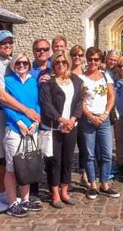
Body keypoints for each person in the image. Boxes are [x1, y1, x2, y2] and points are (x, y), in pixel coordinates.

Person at [0, 30, 40, 213]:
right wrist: (26, 111)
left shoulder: (11, 62)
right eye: (3, 43)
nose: (7, 46)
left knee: (2, 158)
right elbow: (1, 95)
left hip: (9, 115)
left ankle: (1, 193)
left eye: (10, 42)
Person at [40, 50, 84, 208]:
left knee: (67, 160)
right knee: (54, 161)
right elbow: (46, 105)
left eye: (64, 62)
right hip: (54, 127)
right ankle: (55, 193)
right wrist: (62, 120)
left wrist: (72, 119)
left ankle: (65, 191)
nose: (61, 65)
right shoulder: (48, 83)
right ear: (53, 64)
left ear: (68, 64)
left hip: (71, 126)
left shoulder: (76, 80)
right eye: (57, 62)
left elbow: (79, 101)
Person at [2, 53, 43, 217]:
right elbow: (5, 104)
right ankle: (12, 203)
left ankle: (25, 199)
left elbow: (37, 104)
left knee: (26, 166)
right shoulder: (8, 82)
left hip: (32, 129)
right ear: (13, 64)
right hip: (14, 128)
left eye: (25, 63)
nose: (22, 65)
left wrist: (35, 123)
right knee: (13, 167)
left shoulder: (33, 81)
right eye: (18, 62)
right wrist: (19, 122)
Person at [79, 47, 119, 200]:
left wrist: (105, 114)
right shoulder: (82, 79)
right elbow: (79, 101)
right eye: (90, 59)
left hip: (103, 119)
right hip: (88, 119)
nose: (93, 62)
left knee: (107, 153)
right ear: (87, 60)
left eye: (96, 59)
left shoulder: (105, 76)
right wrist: (90, 116)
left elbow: (111, 97)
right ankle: (93, 184)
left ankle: (105, 183)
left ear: (100, 60)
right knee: (89, 154)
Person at [28, 38, 51, 202]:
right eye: (38, 49)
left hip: (51, 119)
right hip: (35, 118)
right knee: (34, 154)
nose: (42, 52)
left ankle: (52, 186)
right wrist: (37, 83)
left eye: (45, 49)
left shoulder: (56, 67)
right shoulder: (28, 70)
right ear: (33, 51)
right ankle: (33, 189)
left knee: (50, 154)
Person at [69, 44, 88, 186]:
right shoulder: (66, 72)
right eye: (74, 55)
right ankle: (65, 176)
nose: (77, 57)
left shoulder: (87, 74)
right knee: (68, 148)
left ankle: (84, 174)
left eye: (80, 55)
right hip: (69, 115)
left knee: (84, 146)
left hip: (84, 115)